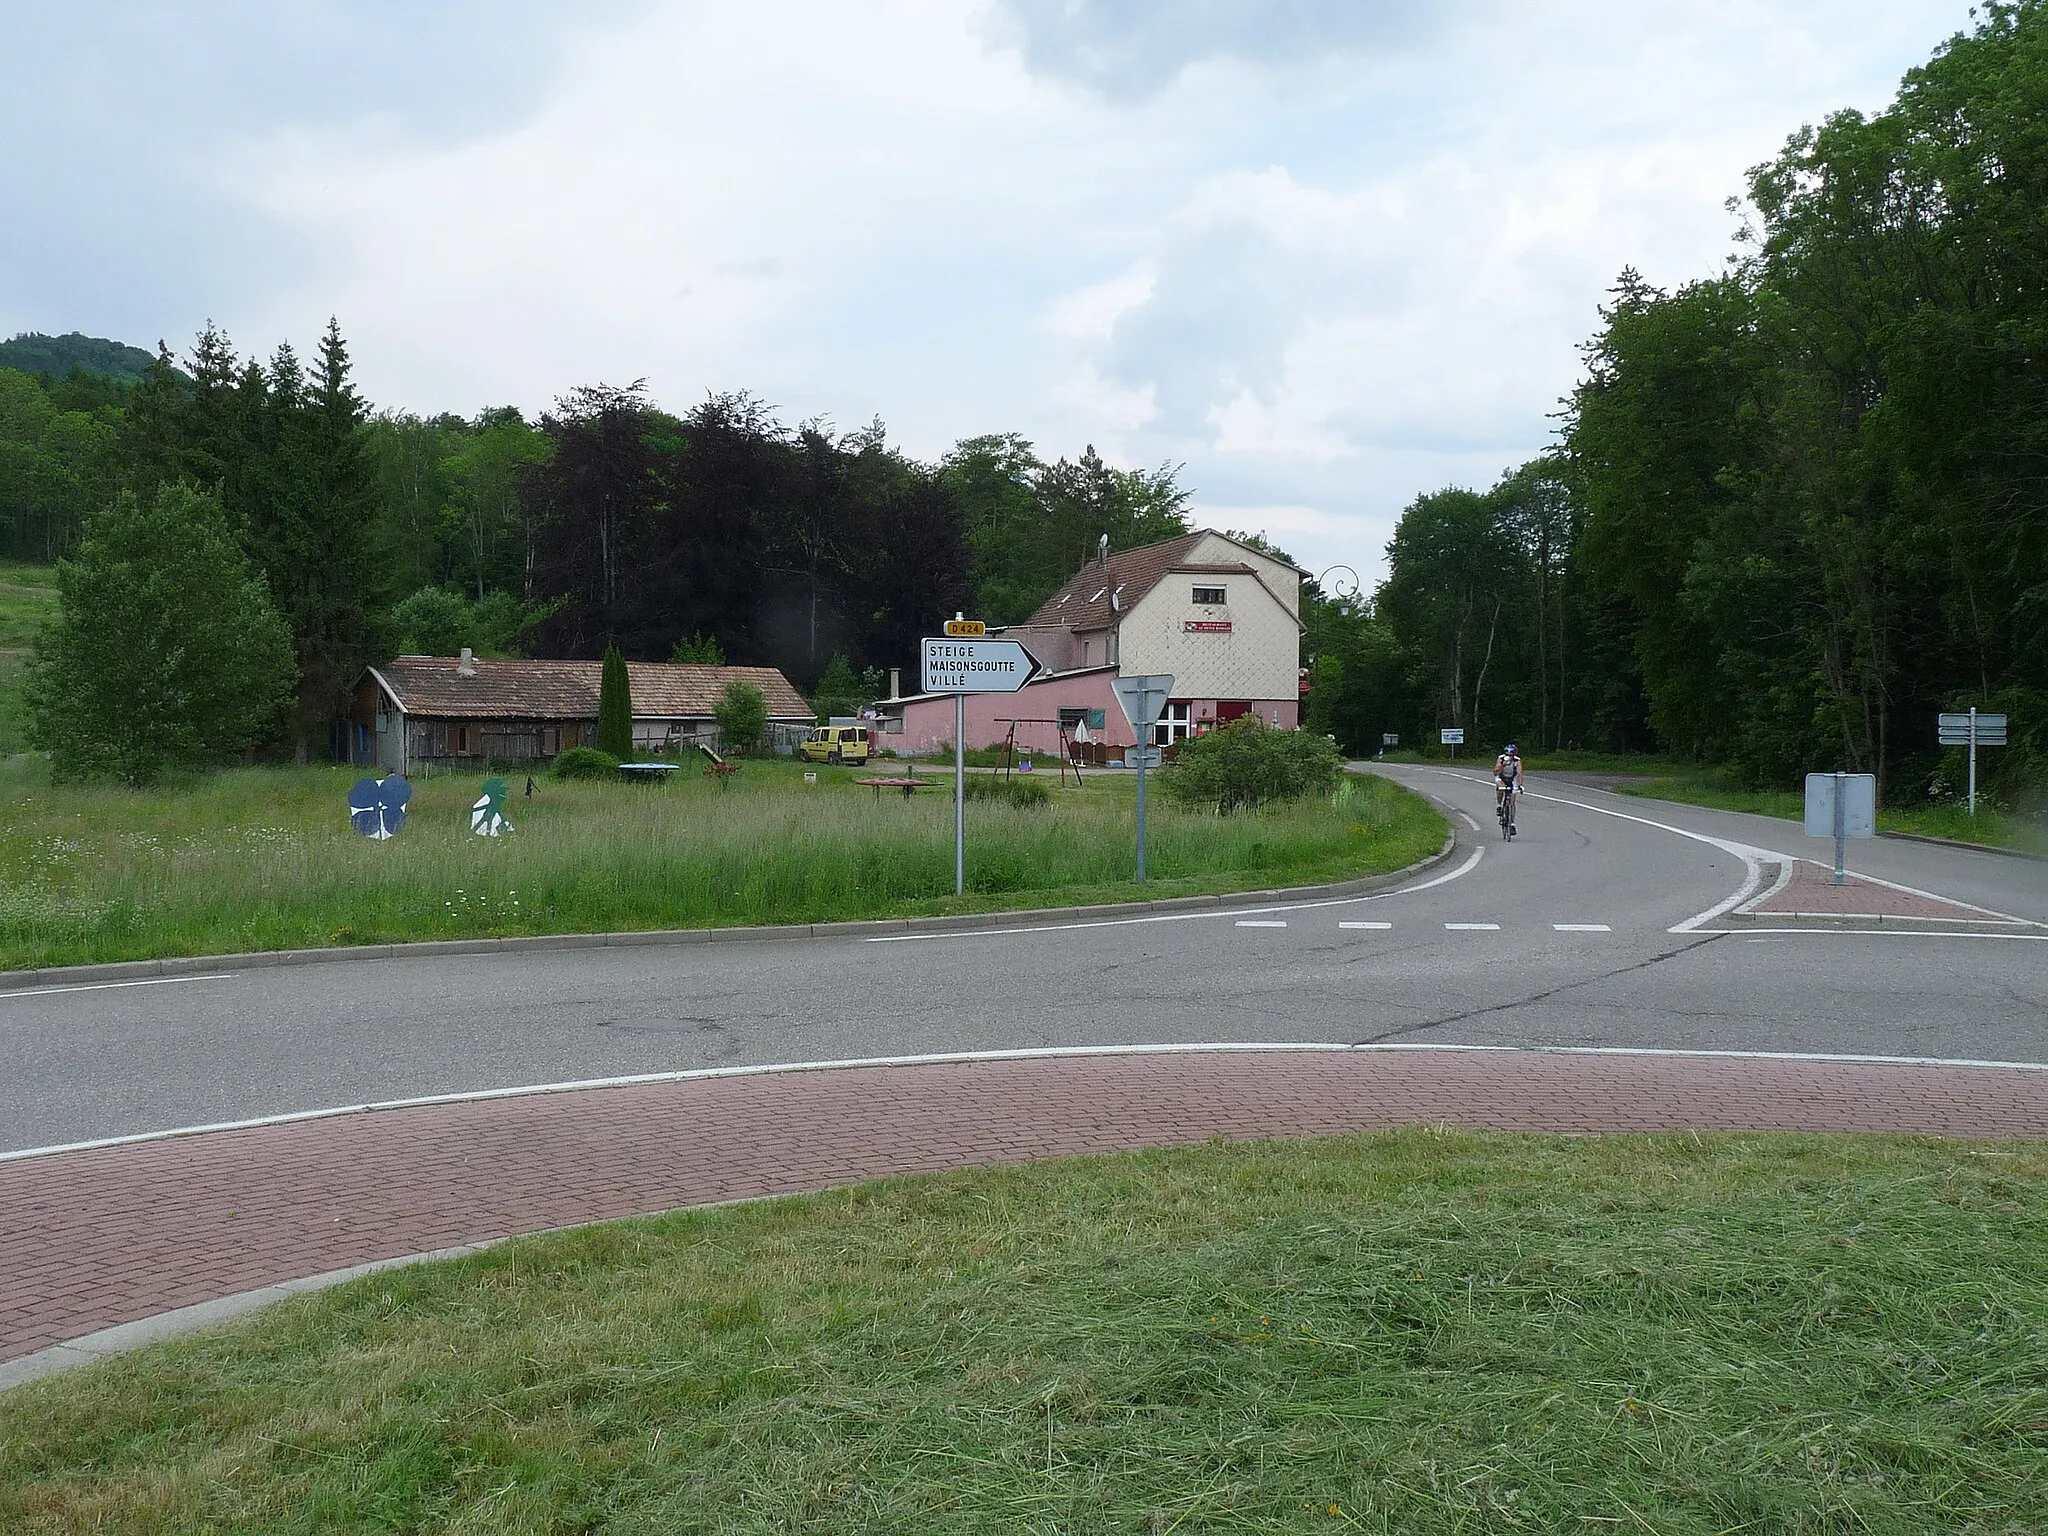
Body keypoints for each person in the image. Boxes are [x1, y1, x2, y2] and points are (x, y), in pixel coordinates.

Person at [1494, 743, 1523, 835]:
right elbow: (1495, 772)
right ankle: (1499, 805)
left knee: (1512, 801)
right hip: (1501, 777)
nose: (1509, 756)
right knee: (1501, 788)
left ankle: (1512, 824)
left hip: (1512, 779)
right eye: (1508, 754)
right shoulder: (1501, 758)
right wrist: (1502, 765)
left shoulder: (1517, 760)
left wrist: (1520, 785)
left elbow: (1519, 773)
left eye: (1511, 755)